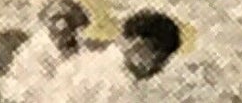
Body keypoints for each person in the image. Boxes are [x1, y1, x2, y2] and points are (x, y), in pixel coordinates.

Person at [44, 11, 183, 103]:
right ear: (140, 45)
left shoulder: (87, 60)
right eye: (159, 60)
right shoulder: (118, 83)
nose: (159, 69)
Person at [3, 0, 90, 102]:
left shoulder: (84, 56)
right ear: (46, 22)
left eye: (69, 19)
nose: (62, 25)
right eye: (56, 18)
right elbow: (14, 92)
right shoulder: (30, 54)